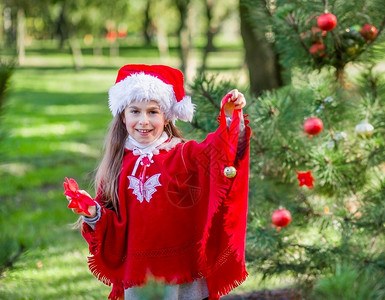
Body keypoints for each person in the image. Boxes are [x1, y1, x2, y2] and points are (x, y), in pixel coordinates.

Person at [66, 64, 251, 300]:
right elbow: (112, 230)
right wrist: (93, 212)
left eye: (152, 112)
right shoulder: (115, 166)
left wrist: (229, 116)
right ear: (123, 116)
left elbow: (221, 152)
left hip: (185, 272)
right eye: (135, 111)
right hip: (140, 276)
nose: (143, 121)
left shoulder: (185, 155)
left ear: (166, 118)